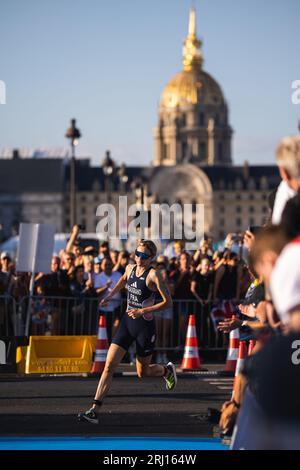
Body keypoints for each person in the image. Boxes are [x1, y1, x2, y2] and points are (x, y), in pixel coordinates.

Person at [78, 239, 176, 424]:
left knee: (142, 372)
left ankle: (166, 371)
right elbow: (123, 280)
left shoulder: (154, 275)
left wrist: (143, 310)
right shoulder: (130, 268)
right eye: (137, 254)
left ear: (151, 258)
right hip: (126, 323)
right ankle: (94, 409)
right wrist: (110, 295)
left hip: (144, 327)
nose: (139, 258)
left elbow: (168, 302)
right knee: (109, 365)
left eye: (144, 256)